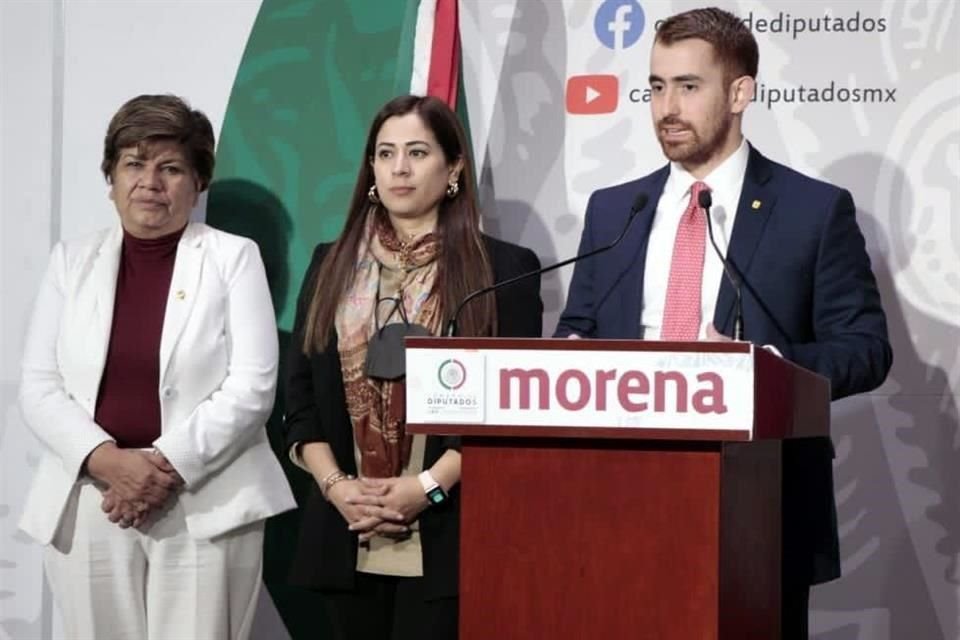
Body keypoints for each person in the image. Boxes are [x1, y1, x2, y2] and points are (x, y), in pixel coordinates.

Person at [555, 8, 891, 639]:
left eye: (688, 86)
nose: (666, 107)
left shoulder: (813, 212)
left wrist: (761, 368)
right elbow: (578, 331)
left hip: (755, 503)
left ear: (740, 93)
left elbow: (866, 350)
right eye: (656, 87)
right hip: (616, 497)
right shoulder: (613, 210)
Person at [18, 94, 296, 640]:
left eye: (170, 168)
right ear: (111, 178)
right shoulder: (70, 262)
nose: (150, 182)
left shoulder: (233, 257)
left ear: (198, 184)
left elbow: (253, 386)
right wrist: (108, 462)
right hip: (93, 497)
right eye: (134, 164)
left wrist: (160, 467)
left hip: (204, 498)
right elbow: (39, 385)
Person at [283, 94, 543, 640]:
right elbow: (300, 399)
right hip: (345, 530)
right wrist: (336, 487)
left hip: (451, 533)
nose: (399, 168)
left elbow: (511, 410)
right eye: (385, 153)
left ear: (453, 169)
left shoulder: (504, 270)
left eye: (418, 152)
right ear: (371, 169)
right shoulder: (329, 264)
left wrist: (427, 487)